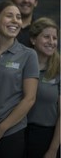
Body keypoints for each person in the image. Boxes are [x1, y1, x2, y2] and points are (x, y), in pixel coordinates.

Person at [0, 1, 39, 158]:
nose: (15, 21)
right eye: (9, 16)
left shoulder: (29, 55)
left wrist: (1, 129)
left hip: (11, 133)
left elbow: (29, 99)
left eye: (18, 17)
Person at [25, 17, 60, 158]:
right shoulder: (23, 66)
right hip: (18, 132)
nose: (51, 42)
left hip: (47, 136)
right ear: (33, 39)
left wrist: (53, 150)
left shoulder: (59, 70)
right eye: (46, 37)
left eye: (55, 38)